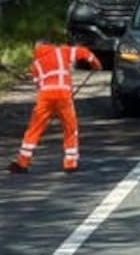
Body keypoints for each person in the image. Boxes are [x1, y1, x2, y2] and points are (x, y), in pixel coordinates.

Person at [9, 37, 103, 173]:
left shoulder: (35, 64)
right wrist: (95, 63)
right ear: (50, 45)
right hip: (63, 94)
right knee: (70, 127)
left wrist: (49, 106)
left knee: (34, 128)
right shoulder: (61, 51)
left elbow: (39, 85)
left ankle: (22, 163)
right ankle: (70, 163)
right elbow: (83, 52)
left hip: (45, 96)